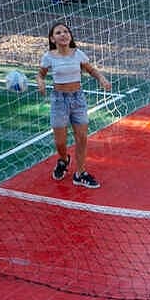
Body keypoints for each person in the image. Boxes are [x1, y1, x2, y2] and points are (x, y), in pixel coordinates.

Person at [37, 21, 111, 189]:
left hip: (78, 99)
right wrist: (40, 82)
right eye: (58, 32)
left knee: (82, 138)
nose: (63, 34)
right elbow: (40, 74)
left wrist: (102, 78)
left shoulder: (78, 54)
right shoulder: (48, 57)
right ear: (52, 39)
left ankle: (80, 173)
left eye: (66, 31)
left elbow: (91, 70)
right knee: (60, 142)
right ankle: (63, 160)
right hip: (59, 100)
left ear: (70, 36)